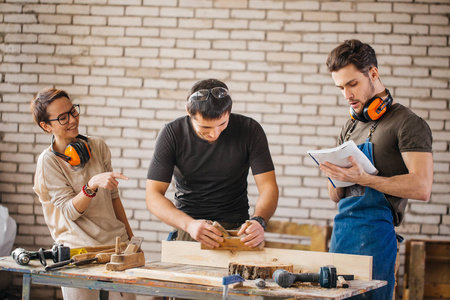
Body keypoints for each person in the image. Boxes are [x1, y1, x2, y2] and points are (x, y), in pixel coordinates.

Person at [321, 40, 433, 299]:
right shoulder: (349, 127)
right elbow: (334, 196)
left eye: (352, 84)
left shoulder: (407, 123)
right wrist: (336, 177)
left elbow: (422, 187)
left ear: (373, 73)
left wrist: (365, 179)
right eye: (340, 87)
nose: (347, 95)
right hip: (342, 237)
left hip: (376, 241)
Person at [146, 78, 279, 248]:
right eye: (205, 128)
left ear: (229, 112)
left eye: (222, 124)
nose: (214, 134)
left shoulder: (250, 130)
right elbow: (153, 196)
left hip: (237, 229)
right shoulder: (172, 133)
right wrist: (189, 225)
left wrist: (258, 221)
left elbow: (268, 187)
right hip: (189, 227)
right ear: (189, 111)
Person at [30, 87, 135, 300]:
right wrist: (91, 185)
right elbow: (69, 212)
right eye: (62, 117)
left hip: (115, 245)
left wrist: (131, 240)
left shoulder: (98, 146)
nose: (72, 120)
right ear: (45, 126)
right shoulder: (48, 161)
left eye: (73, 111)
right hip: (78, 251)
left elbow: (114, 199)